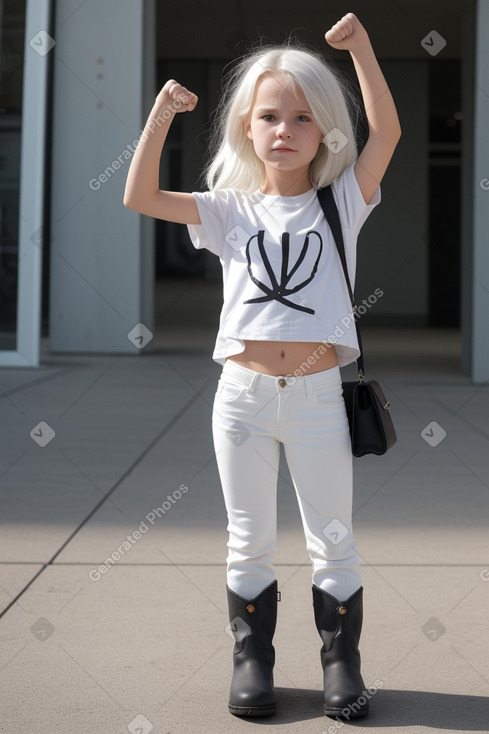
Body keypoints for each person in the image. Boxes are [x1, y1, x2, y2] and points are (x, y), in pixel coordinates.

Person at [124, 12, 400, 720]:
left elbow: (387, 134)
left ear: (324, 131)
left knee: (331, 535)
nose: (284, 129)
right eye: (269, 116)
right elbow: (139, 196)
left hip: (315, 397)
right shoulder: (229, 211)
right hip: (242, 397)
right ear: (246, 128)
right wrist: (159, 113)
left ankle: (342, 664)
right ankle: (254, 661)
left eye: (302, 117)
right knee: (246, 536)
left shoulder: (341, 204)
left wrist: (360, 48)